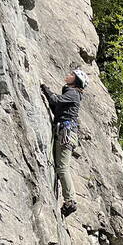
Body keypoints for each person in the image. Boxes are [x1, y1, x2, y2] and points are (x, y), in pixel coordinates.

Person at [40, 68, 89, 217]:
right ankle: (69, 200)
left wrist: (44, 87)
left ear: (76, 81)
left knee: (62, 168)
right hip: (66, 132)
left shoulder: (73, 93)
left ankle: (70, 201)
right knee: (61, 167)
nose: (68, 75)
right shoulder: (71, 93)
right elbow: (57, 108)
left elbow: (55, 100)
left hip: (66, 133)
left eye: (71, 75)